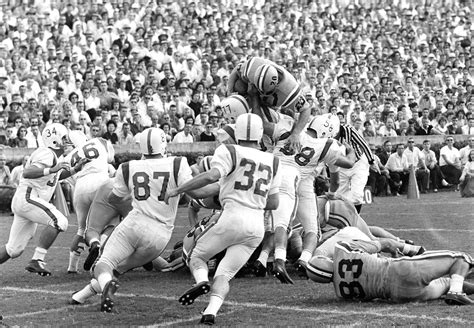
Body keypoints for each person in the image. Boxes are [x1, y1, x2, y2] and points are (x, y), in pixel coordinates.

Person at [71, 127, 209, 312]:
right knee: (118, 268)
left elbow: (113, 199)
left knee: (104, 264)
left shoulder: (128, 167)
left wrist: (132, 195)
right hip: (160, 235)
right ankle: (81, 296)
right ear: (163, 144)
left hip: (134, 224)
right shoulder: (177, 163)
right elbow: (196, 193)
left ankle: (105, 285)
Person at [165, 113, 281, 325]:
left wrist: (179, 189)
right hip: (256, 225)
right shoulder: (273, 160)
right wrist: (250, 197)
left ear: (237, 132)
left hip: (232, 216)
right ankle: (211, 311)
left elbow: (211, 176)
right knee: (225, 274)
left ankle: (201, 282)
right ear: (260, 134)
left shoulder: (229, 150)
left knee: (196, 257)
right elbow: (274, 203)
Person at [0, 123, 88, 276]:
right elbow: (27, 172)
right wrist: (52, 169)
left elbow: (56, 176)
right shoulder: (46, 153)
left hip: (26, 201)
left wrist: (74, 169)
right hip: (28, 197)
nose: (67, 141)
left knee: (14, 249)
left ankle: (36, 260)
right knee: (60, 221)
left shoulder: (53, 156)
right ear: (54, 140)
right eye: (64, 138)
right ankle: (37, 260)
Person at [308, 240, 474, 305]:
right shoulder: (342, 250)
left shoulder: (341, 294)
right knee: (460, 258)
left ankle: (455, 290)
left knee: (446, 283)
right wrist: (410, 250)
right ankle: (456, 292)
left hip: (399, 294)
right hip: (399, 270)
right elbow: (385, 243)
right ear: (324, 261)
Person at [227, 57, 310, 152]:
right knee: (239, 87)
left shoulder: (289, 90)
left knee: (262, 124)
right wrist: (229, 92)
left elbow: (306, 109)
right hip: (251, 90)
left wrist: (296, 133)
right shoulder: (251, 68)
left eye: (265, 91)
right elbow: (237, 69)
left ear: (276, 85)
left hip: (269, 103)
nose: (262, 93)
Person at [65, 133, 115, 274]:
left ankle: (72, 267)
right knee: (113, 222)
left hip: (80, 189)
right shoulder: (100, 141)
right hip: (100, 183)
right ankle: (99, 247)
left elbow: (66, 177)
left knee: (82, 229)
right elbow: (110, 158)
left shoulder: (67, 158)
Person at [334, 122, 377, 213]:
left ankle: (356, 219)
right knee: (339, 195)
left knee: (357, 194)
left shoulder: (349, 130)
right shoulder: (325, 135)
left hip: (358, 163)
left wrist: (371, 161)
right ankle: (344, 219)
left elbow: (363, 144)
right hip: (341, 165)